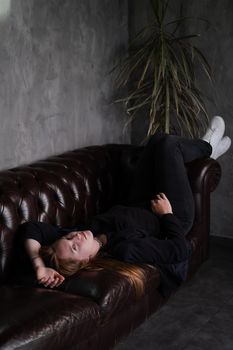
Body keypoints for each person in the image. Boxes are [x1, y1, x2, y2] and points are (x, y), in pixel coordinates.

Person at [16, 116, 231, 297]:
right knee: (168, 146)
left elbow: (31, 228)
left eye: (68, 238)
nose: (76, 237)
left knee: (158, 140)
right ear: (86, 261)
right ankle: (208, 147)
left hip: (141, 200)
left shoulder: (85, 233)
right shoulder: (126, 250)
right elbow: (180, 250)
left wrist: (39, 265)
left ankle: (204, 151)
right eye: (74, 247)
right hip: (172, 211)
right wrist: (167, 215)